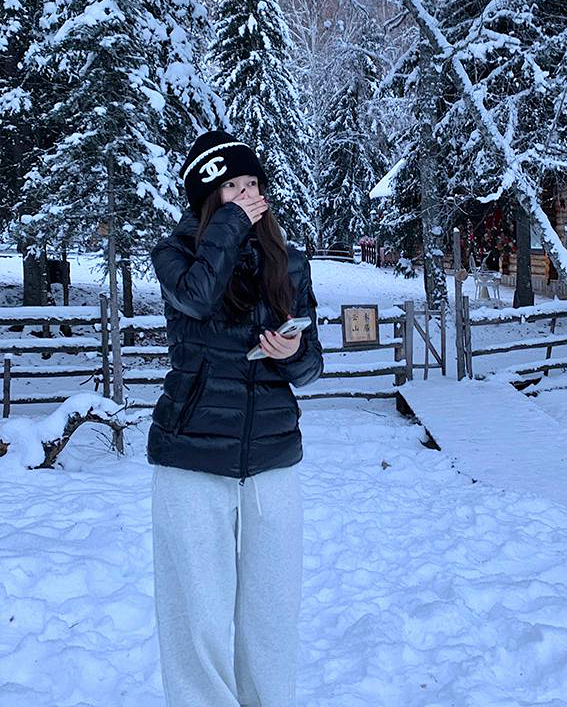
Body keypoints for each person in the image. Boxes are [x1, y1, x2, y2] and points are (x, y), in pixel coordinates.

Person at [147, 129, 324, 707]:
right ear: (208, 200)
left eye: (253, 184)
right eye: (231, 187)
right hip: (192, 460)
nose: (248, 196)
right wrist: (230, 226)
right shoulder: (174, 256)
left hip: (273, 458)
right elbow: (198, 297)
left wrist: (291, 352)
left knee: (273, 612)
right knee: (196, 613)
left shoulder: (289, 264)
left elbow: (311, 368)